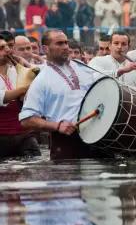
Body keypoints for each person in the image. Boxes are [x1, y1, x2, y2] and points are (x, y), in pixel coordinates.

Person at [19, 29, 98, 159]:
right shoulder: (41, 80)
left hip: (96, 136)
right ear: (45, 49)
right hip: (66, 142)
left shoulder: (82, 67)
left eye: (66, 43)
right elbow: (26, 119)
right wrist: (57, 126)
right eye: (59, 43)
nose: (66, 47)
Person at [0, 34, 41, 157]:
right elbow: (3, 97)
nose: (7, 50)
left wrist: (24, 64)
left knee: (34, 169)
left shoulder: (16, 70)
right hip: (1, 136)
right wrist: (28, 88)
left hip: (24, 135)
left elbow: (41, 76)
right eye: (1, 48)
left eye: (8, 46)